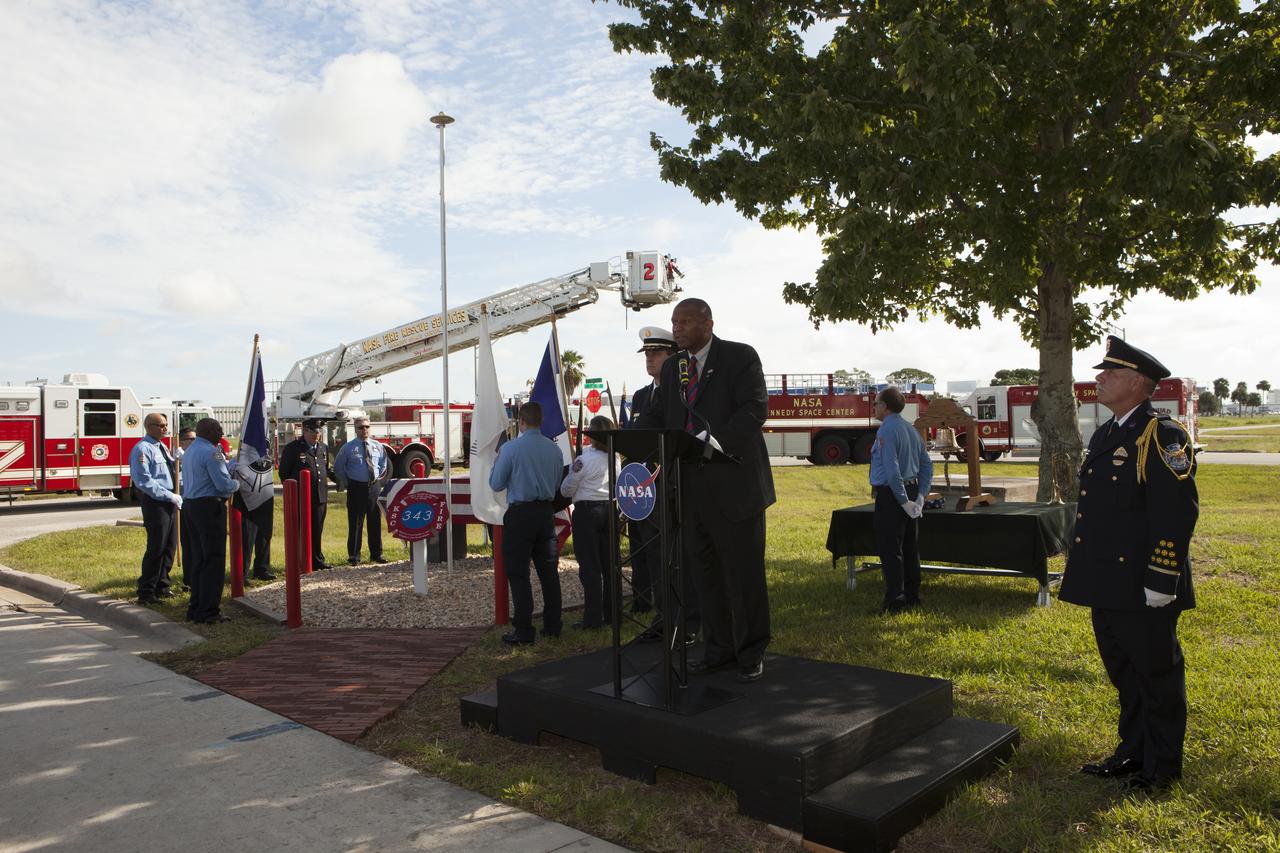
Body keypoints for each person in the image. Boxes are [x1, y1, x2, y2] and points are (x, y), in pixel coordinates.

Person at [1062, 335, 1198, 794]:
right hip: (1108, 581)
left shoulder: (1163, 435)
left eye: (1110, 373)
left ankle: (1162, 769)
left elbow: (1177, 513)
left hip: (1143, 584)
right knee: (1124, 673)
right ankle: (1133, 751)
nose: (1099, 379)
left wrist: (1163, 577)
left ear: (1139, 383)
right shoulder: (1107, 432)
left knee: (1156, 675)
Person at [635, 297, 774, 683]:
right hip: (690, 491)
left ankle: (751, 651)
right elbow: (659, 416)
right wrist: (621, 437)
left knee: (742, 574)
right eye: (674, 321)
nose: (676, 328)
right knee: (705, 575)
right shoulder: (675, 367)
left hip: (735, 487)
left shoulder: (740, 357)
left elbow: (754, 409)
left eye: (684, 321)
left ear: (707, 324)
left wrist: (711, 439)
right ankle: (718, 651)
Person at [488, 402, 566, 645]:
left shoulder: (511, 449)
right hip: (545, 513)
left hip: (521, 513)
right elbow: (556, 485)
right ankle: (553, 626)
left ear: (521, 421)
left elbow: (496, 483)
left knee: (519, 573)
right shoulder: (555, 451)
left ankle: (523, 629)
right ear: (540, 421)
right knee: (549, 573)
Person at [626, 325, 677, 615]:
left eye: (656, 352)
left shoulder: (679, 393)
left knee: (664, 555)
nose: (649, 358)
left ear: (672, 356)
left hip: (667, 487)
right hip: (639, 488)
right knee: (640, 550)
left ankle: (666, 614)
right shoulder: (640, 396)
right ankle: (642, 605)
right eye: (646, 353)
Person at [869, 386, 934, 613]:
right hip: (911, 491)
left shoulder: (886, 430)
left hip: (892, 495)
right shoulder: (910, 429)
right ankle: (912, 595)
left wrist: (903, 500)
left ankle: (895, 599)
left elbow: (891, 469)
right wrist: (921, 496)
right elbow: (927, 465)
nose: (874, 407)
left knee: (891, 548)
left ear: (885, 407)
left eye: (876, 403)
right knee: (909, 546)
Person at [561, 414, 617, 629]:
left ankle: (593, 619)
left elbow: (567, 488)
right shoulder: (615, 457)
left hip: (587, 511)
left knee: (590, 568)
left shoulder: (584, 459)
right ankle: (612, 615)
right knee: (609, 565)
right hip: (608, 510)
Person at [182, 417, 238, 624]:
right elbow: (223, 484)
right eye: (219, 429)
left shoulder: (191, 451)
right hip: (208, 508)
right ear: (209, 431)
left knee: (198, 559)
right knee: (213, 560)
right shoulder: (211, 452)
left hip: (190, 506)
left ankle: (196, 607)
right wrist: (237, 484)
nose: (221, 433)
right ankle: (208, 611)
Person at [128, 413, 181, 604]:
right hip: (156, 502)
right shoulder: (142, 449)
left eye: (166, 425)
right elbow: (143, 481)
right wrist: (169, 495)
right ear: (148, 427)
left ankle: (162, 586)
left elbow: (171, 472)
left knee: (170, 546)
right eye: (160, 425)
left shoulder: (163, 447)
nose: (165, 429)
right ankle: (146, 591)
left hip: (169, 501)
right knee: (156, 547)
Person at [278, 419, 335, 570]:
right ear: (305, 431)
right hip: (301, 497)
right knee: (301, 530)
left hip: (320, 496)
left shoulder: (323, 447)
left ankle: (317, 559)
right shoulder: (294, 448)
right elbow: (284, 473)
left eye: (319, 431)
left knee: (317, 529)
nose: (317, 434)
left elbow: (325, 468)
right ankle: (300, 560)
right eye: (313, 432)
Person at [334, 417, 391, 564]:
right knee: (356, 523)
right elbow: (339, 468)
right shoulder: (348, 448)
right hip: (356, 488)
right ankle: (354, 556)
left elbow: (383, 465)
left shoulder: (378, 446)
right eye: (360, 427)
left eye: (366, 427)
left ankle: (376, 554)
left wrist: (377, 480)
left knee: (375, 522)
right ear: (355, 429)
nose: (364, 430)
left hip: (373, 488)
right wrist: (348, 483)